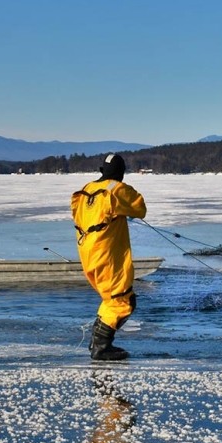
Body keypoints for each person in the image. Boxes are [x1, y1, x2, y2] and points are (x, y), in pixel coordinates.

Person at [71, 153, 147, 361]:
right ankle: (101, 347)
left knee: (111, 299)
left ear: (101, 170)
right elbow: (140, 209)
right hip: (108, 256)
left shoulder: (86, 189)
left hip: (88, 253)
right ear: (121, 172)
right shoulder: (118, 189)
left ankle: (98, 342)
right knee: (123, 301)